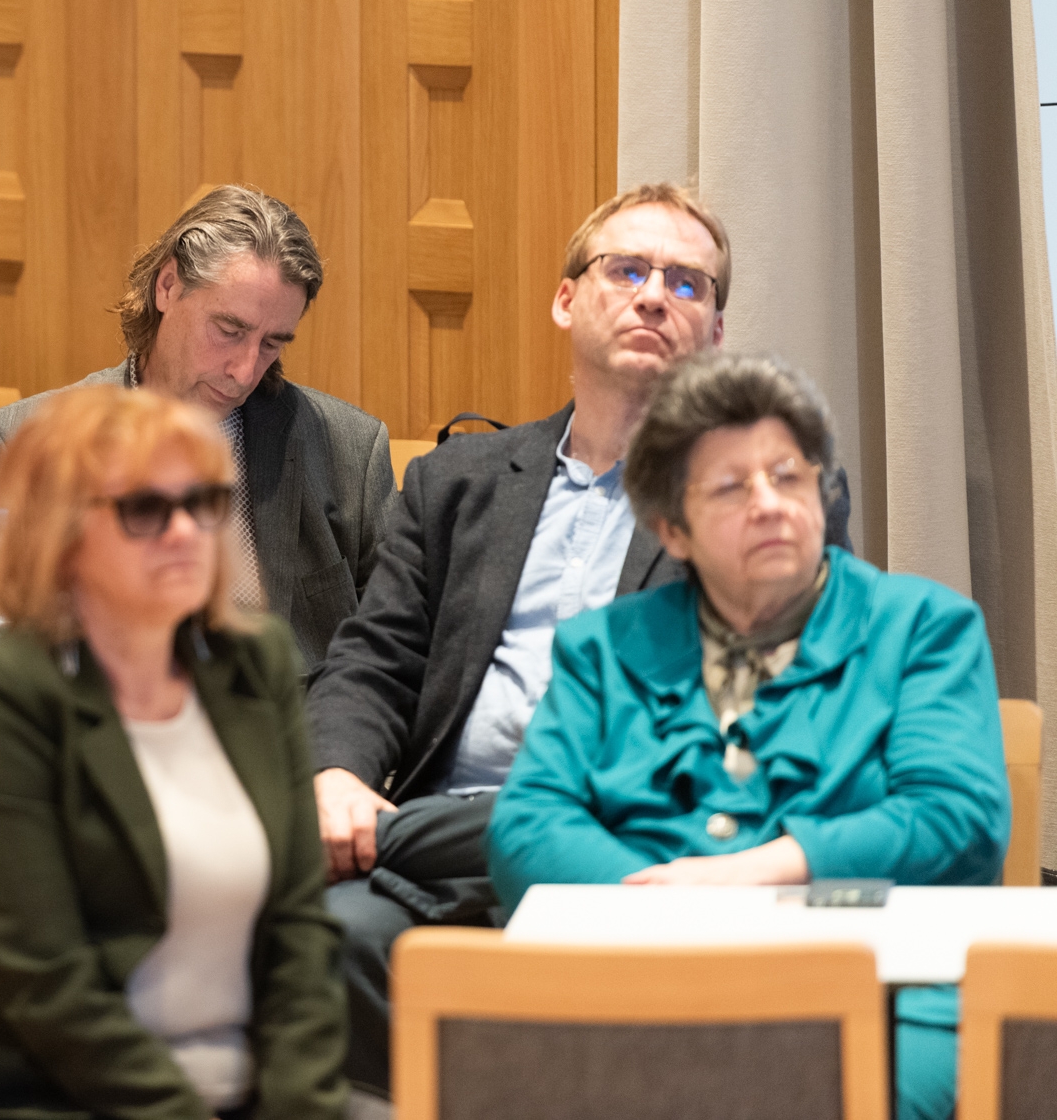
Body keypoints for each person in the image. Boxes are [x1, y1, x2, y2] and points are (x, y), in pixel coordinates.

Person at [303, 183, 854, 1095]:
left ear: (716, 332)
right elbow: (375, 657)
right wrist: (335, 775)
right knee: (326, 935)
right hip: (446, 850)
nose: (654, 296)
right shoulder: (457, 483)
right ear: (567, 299)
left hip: (645, 841)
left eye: (686, 283)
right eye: (627, 270)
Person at [487, 352, 1008, 1120]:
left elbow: (956, 816)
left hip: (882, 986)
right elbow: (528, 825)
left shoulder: (924, 626)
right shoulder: (603, 648)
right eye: (732, 487)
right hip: (641, 981)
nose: (769, 504)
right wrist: (672, 916)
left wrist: (760, 872)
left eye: (789, 476)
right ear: (674, 529)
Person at [0, 385, 346, 1120]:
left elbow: (301, 929)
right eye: (146, 509)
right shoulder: (3, 697)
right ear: (62, 536)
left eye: (202, 503)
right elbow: (43, 984)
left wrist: (301, 1107)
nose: (186, 531)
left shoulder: (254, 664)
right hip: (55, 1095)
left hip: (249, 1090)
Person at [0, 185, 399, 668]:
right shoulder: (28, 444)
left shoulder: (349, 452)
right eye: (229, 331)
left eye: (272, 344)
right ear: (168, 286)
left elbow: (400, 650)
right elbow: (1, 649)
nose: (245, 371)